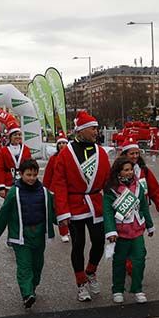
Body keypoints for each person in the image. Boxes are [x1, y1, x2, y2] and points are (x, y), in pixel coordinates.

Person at [52, 110, 111, 302]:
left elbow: (108, 182)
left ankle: (91, 271)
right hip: (75, 205)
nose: (96, 131)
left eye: (96, 128)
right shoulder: (65, 154)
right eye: (93, 128)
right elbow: (59, 184)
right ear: (82, 130)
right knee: (78, 245)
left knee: (99, 241)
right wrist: (63, 212)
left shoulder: (101, 152)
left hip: (95, 204)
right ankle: (80, 283)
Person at [0, 159, 56, 309]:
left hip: (39, 234)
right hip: (21, 236)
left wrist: (63, 220)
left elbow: (52, 210)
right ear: (21, 174)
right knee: (24, 265)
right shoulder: (14, 191)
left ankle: (32, 287)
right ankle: (27, 294)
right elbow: (4, 212)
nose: (32, 178)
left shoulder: (44, 192)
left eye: (34, 174)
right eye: (28, 175)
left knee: (37, 265)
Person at [103, 157, 154, 304]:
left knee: (139, 261)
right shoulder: (111, 190)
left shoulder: (139, 187)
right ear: (118, 171)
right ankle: (118, 289)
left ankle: (137, 289)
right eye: (126, 170)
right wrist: (111, 232)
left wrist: (150, 225)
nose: (130, 172)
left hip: (137, 231)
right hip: (121, 233)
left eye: (131, 169)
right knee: (119, 262)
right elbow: (107, 212)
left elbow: (144, 207)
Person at [118, 139, 159, 215]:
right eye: (132, 154)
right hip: (123, 214)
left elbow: (155, 190)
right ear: (125, 155)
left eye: (137, 153)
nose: (135, 156)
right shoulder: (117, 171)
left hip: (142, 212)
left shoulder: (143, 170)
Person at [42, 134, 71, 242]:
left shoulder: (71, 157)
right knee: (60, 210)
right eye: (60, 143)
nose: (62, 145)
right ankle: (63, 232)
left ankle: (70, 229)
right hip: (56, 189)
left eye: (64, 143)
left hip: (70, 188)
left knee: (71, 210)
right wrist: (45, 188)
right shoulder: (53, 158)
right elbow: (48, 174)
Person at [0, 122, 32, 199]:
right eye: (15, 135)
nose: (18, 137)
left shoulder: (26, 150)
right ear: (10, 137)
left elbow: (30, 167)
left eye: (19, 135)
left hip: (24, 181)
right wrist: (1, 187)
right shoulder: (4, 151)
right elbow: (0, 169)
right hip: (8, 182)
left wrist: (30, 181)